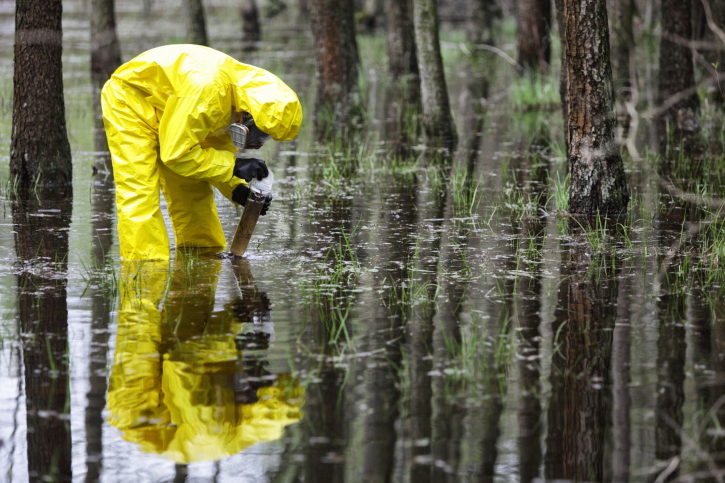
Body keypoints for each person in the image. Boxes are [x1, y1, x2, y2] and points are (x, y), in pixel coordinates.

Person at [101, 44, 303, 260]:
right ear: (249, 114)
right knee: (139, 191)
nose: (257, 143)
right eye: (259, 134)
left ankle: (202, 259)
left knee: (194, 189)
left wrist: (237, 188)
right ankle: (145, 271)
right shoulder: (208, 94)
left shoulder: (237, 102)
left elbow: (211, 158)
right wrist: (234, 166)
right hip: (131, 101)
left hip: (175, 107)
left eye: (265, 138)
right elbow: (177, 155)